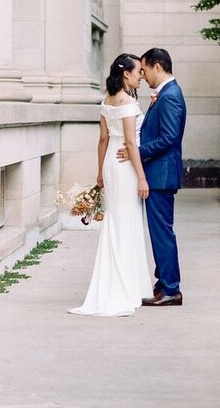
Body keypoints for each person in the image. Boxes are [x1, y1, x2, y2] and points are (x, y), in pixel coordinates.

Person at [69, 53, 155, 316]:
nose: (142, 75)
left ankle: (120, 282)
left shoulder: (106, 101)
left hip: (110, 164)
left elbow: (103, 139)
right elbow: (131, 143)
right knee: (126, 222)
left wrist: (99, 172)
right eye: (139, 71)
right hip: (126, 166)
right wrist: (141, 177)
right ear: (126, 74)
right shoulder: (127, 102)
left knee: (116, 223)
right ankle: (124, 286)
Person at [117, 47, 186, 306]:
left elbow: (170, 137)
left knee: (162, 233)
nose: (143, 75)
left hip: (160, 175)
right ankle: (163, 284)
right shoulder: (165, 93)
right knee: (160, 232)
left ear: (158, 67)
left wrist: (137, 152)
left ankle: (171, 289)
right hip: (158, 173)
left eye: (145, 69)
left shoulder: (170, 96)